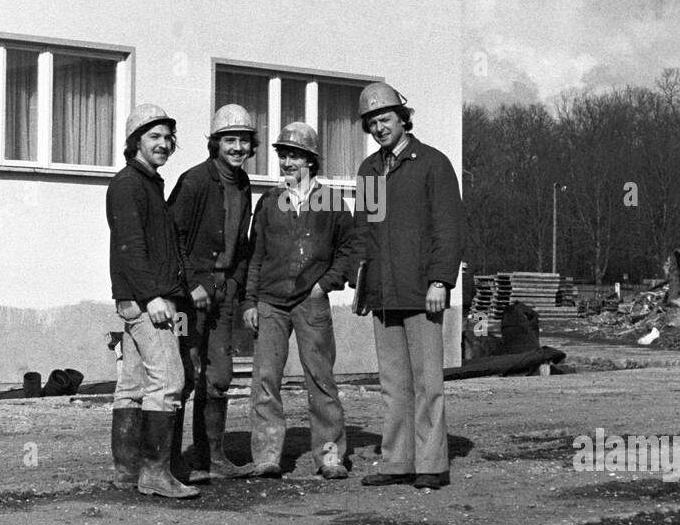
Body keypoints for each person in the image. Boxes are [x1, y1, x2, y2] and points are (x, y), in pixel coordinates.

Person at [354, 83, 465, 490]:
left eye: (385, 119)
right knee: (393, 384)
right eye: (372, 123)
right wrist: (361, 284)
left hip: (422, 292)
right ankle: (397, 462)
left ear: (404, 119)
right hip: (383, 294)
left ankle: (432, 464)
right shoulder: (369, 169)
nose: (379, 128)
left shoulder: (433, 164)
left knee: (427, 383)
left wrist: (441, 280)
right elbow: (362, 230)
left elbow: (448, 228)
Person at [242, 122, 357, 480]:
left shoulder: (332, 202)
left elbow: (348, 251)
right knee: (265, 379)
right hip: (271, 303)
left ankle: (330, 456)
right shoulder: (268, 202)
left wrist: (325, 285)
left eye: (295, 155)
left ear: (311, 160)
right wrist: (249, 301)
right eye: (283, 155)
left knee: (320, 378)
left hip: (312, 302)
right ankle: (267, 455)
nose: (287, 162)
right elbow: (255, 254)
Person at [106, 104, 199, 499]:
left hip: (144, 297)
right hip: (150, 301)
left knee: (132, 384)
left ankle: (127, 470)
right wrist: (149, 296)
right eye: (153, 137)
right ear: (135, 143)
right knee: (169, 379)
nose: (163, 144)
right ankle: (156, 475)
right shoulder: (130, 184)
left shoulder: (149, 183)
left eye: (167, 138)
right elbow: (129, 247)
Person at [167, 104, 255, 479]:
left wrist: (233, 285)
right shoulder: (195, 181)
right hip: (189, 300)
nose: (237, 148)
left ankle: (212, 458)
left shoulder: (244, 185)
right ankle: (170, 461)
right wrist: (191, 284)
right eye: (229, 140)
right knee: (184, 375)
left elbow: (241, 244)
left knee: (218, 376)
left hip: (223, 296)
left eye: (244, 141)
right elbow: (172, 238)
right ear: (215, 144)